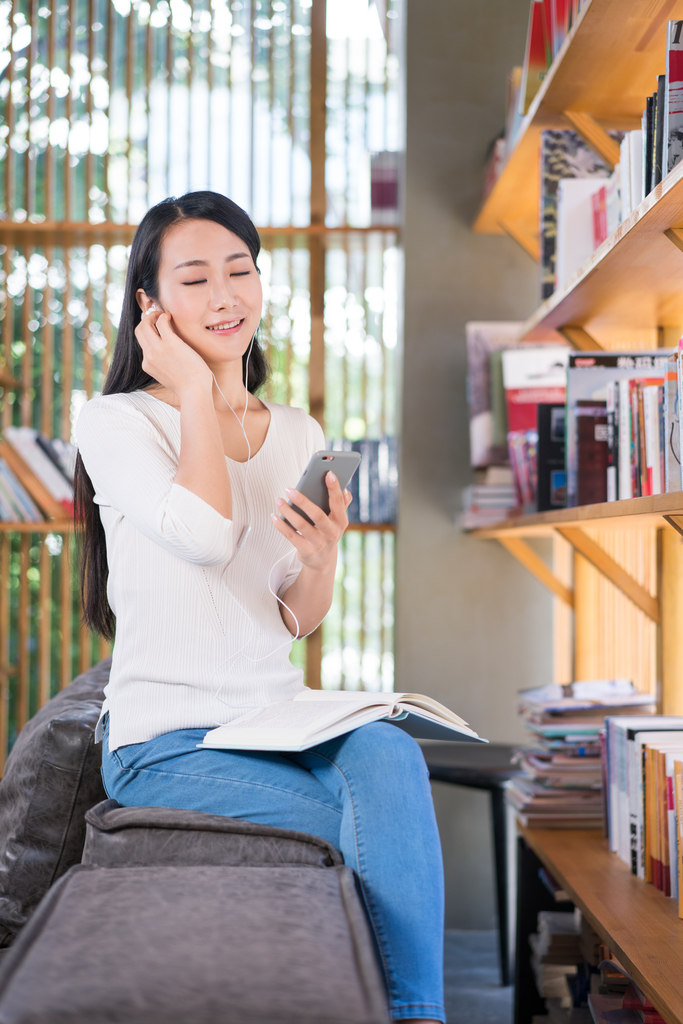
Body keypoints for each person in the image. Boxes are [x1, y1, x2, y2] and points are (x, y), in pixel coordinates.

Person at [75, 190, 445, 1024]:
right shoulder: (114, 421)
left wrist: (320, 558)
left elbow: (289, 616)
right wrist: (200, 395)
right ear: (151, 305)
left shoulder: (295, 429)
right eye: (195, 278)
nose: (223, 295)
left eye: (239, 271)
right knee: (382, 832)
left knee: (389, 755)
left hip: (273, 722)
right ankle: (419, 1015)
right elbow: (205, 537)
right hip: (163, 743)